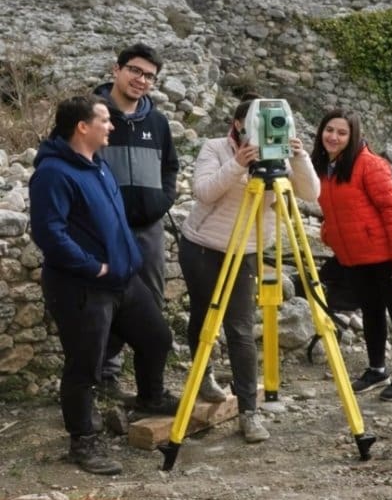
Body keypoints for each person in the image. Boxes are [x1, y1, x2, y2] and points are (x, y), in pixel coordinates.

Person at [29, 95, 179, 475]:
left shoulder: (97, 164)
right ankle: (83, 442)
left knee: (157, 338)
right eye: (104, 120)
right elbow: (49, 234)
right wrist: (92, 266)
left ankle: (150, 398)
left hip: (122, 279)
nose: (112, 126)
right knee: (85, 367)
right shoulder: (53, 173)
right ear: (82, 127)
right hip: (83, 285)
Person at [179, 94, 320, 443]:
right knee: (203, 315)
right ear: (239, 124)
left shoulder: (281, 154)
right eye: (257, 120)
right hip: (203, 247)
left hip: (245, 251)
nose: (266, 127)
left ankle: (248, 412)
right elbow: (203, 191)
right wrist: (238, 164)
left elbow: (310, 193)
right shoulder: (215, 148)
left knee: (240, 328)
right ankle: (204, 375)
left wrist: (298, 156)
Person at [311, 109, 392, 401]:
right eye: (329, 130)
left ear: (353, 135)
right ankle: (377, 369)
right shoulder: (324, 167)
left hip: (386, 255)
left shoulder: (370, 165)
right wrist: (329, 234)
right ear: (321, 132)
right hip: (355, 257)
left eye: (342, 132)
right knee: (371, 312)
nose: (334, 137)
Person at [93, 43, 179, 396]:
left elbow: (170, 168)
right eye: (135, 71)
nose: (141, 80)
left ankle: (150, 390)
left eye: (149, 76)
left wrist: (162, 201)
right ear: (117, 69)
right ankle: (104, 376)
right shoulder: (92, 115)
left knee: (151, 303)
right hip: (103, 232)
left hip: (148, 229)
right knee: (105, 302)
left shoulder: (157, 122)